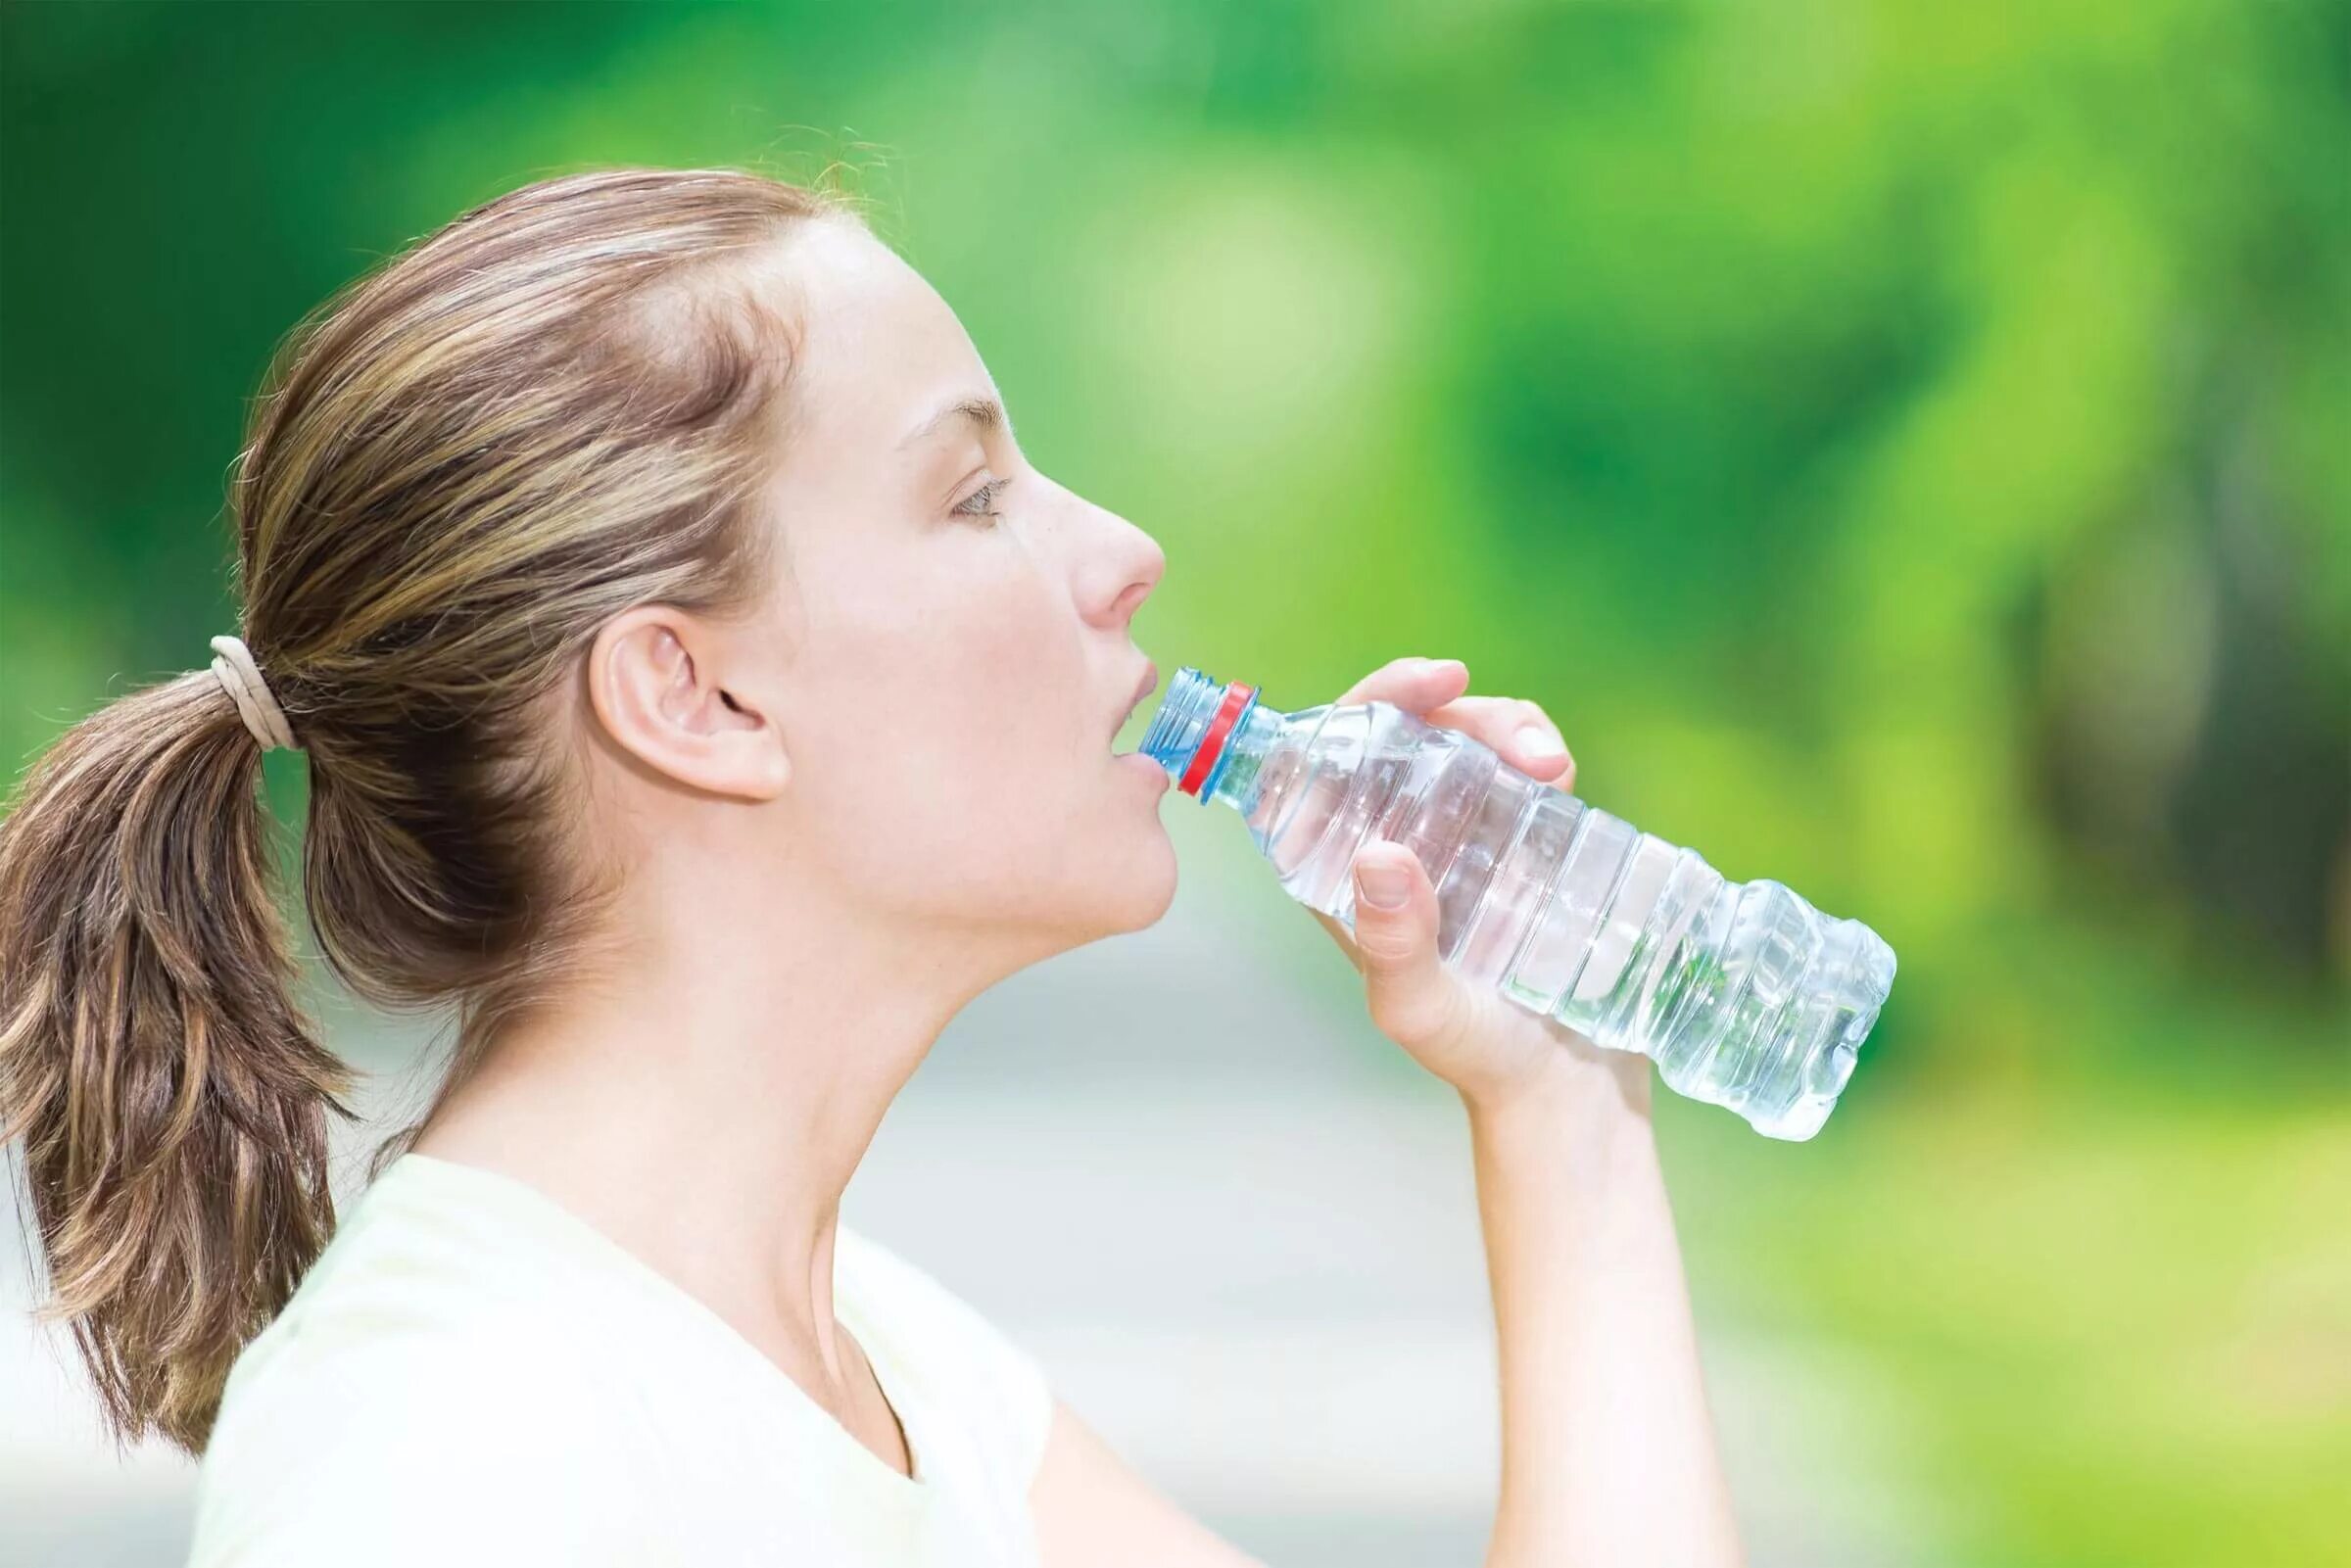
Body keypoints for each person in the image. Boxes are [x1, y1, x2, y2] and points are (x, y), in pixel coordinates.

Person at [0, 166, 1742, 1567]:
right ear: (696, 693)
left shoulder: (887, 1376)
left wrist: (1562, 1112)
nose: (1123, 552)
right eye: (973, 496)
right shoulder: (452, 1459)